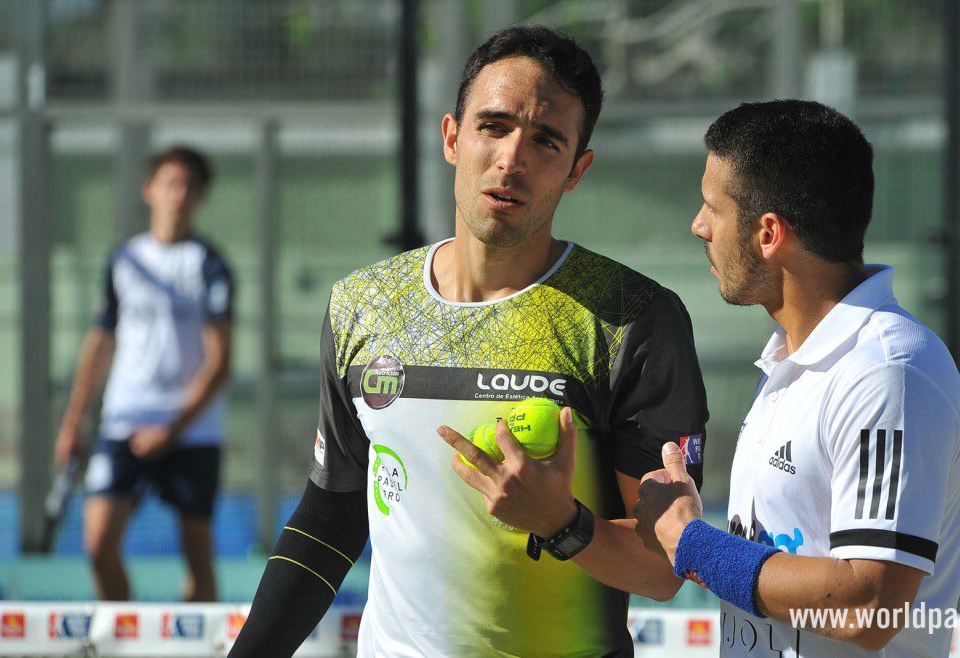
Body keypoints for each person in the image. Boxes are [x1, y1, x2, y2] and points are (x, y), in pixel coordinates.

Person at [230, 25, 708, 658]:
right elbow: (330, 519)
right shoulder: (362, 306)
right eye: (493, 126)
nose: (512, 159)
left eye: (545, 141)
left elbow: (665, 565)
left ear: (576, 170)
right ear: (452, 137)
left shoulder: (632, 320)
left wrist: (562, 525)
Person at [632, 101, 960, 657]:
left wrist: (691, 543)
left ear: (768, 233)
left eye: (711, 208)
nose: (699, 226)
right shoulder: (796, 359)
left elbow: (871, 606)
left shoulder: (888, 372)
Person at [53, 145, 233, 602]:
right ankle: (119, 643)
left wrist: (171, 429)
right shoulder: (124, 261)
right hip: (123, 423)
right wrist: (73, 423)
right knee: (97, 544)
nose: (180, 194)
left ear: (200, 198)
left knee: (198, 560)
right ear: (150, 190)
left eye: (190, 187)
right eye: (171, 183)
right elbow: (100, 343)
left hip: (190, 432)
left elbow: (220, 362)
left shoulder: (210, 266)